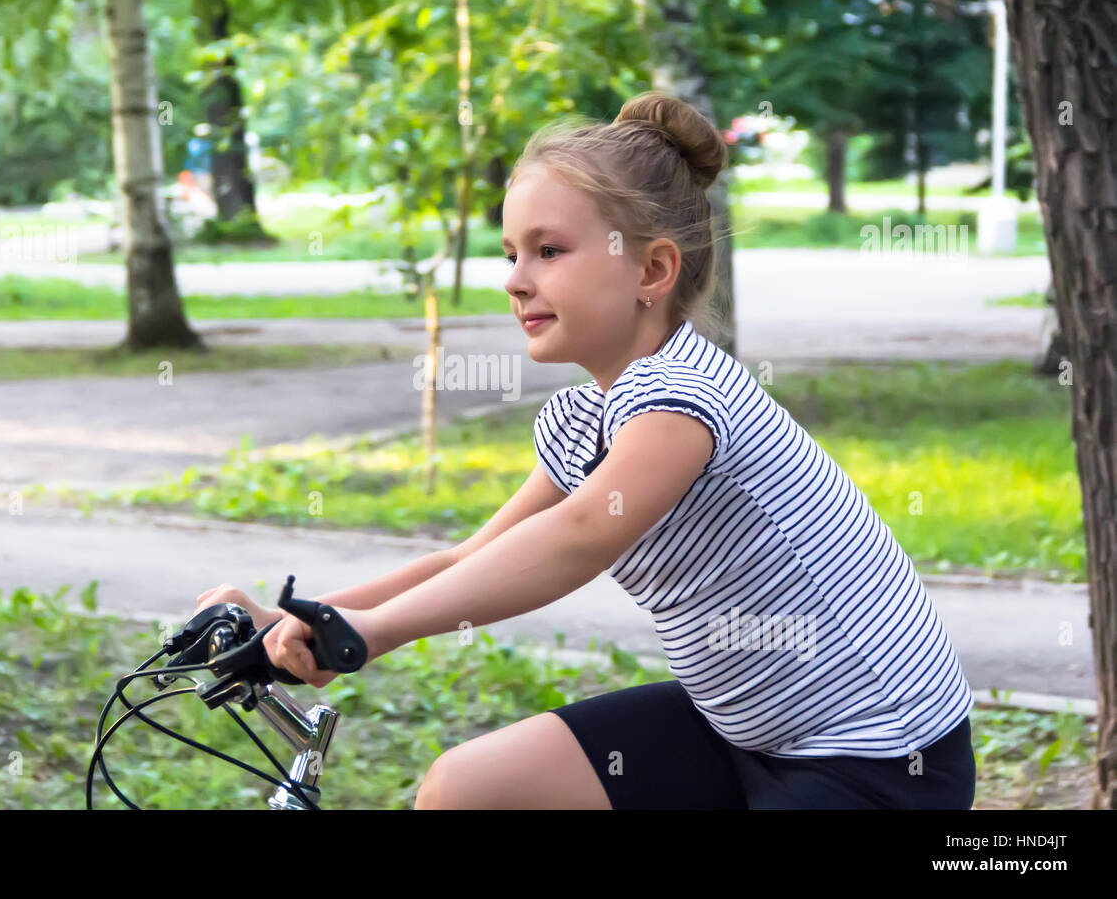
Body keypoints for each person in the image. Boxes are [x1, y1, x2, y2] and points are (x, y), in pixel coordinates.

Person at [193, 90, 977, 810]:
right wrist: (310, 618)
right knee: (465, 789)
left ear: (653, 269)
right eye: (510, 254)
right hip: (744, 732)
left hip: (876, 762)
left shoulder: (685, 398)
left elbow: (578, 539)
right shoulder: (584, 419)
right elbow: (465, 560)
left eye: (549, 251)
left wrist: (378, 633)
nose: (514, 280)